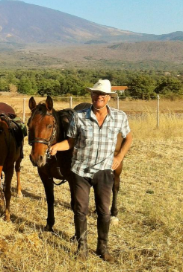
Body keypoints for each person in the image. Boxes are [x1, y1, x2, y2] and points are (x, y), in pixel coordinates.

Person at [49, 79, 133, 262]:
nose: (99, 97)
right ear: (91, 96)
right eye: (95, 94)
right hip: (80, 171)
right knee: (81, 210)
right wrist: (56, 147)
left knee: (104, 211)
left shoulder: (119, 117)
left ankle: (102, 247)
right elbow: (70, 142)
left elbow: (129, 137)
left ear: (109, 97)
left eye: (103, 95)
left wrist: (119, 158)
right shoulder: (78, 117)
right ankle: (82, 247)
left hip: (103, 171)